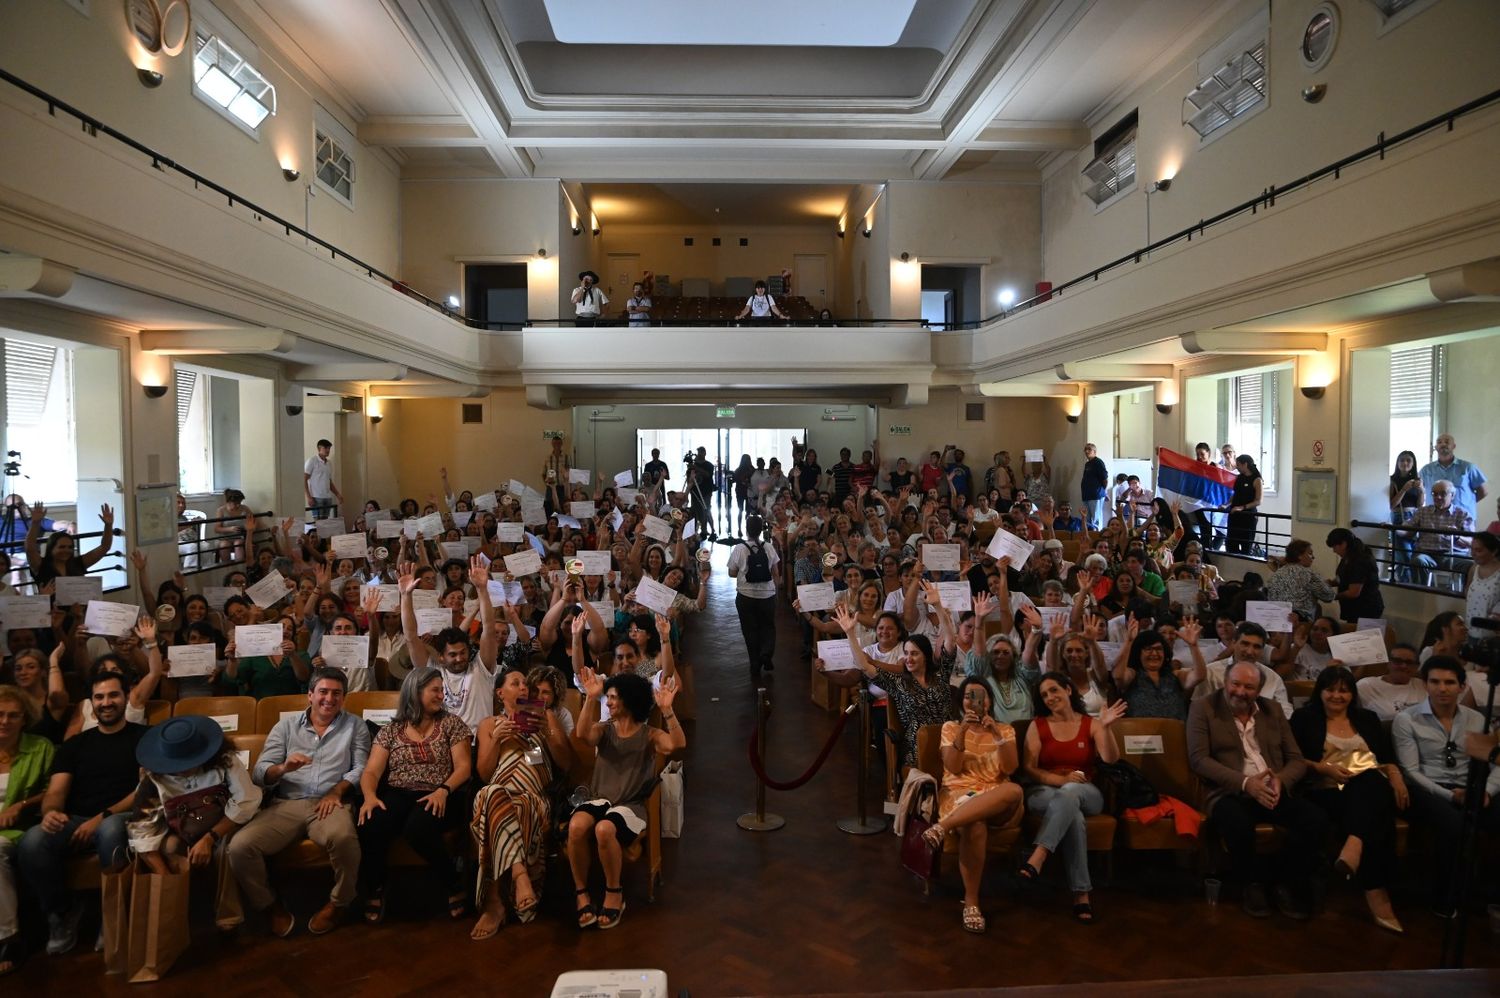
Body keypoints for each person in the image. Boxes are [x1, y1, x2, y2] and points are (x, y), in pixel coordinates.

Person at [228, 667, 370, 938]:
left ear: (344, 698)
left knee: (343, 838)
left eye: (336, 694)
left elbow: (361, 768)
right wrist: (283, 768)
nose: (329, 699)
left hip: (330, 802)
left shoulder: (355, 725)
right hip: (287, 803)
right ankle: (270, 905)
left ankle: (339, 903)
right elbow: (260, 772)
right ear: (310, 695)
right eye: (323, 692)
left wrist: (337, 791)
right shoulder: (285, 726)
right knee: (239, 847)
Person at [1187, 661, 1327, 919]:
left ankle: (1285, 880)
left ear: (1259, 690)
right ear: (1225, 682)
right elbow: (1199, 760)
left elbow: (1296, 759)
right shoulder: (1203, 708)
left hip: (1273, 788)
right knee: (1237, 822)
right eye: (1235, 684)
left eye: (1249, 687)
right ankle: (1252, 884)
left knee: (1314, 819)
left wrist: (1280, 781)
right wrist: (1245, 783)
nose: (1240, 691)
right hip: (1228, 790)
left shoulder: (1272, 710)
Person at [18, 671, 145, 955]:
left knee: (110, 828)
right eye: (99, 697)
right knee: (33, 841)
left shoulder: (144, 737)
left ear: (125, 697)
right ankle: (62, 913)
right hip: (75, 819)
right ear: (91, 703)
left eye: (113, 695)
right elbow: (55, 793)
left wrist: (100, 818)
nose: (106, 702)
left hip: (123, 815)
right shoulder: (75, 744)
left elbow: (144, 790)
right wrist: (51, 812)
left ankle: (112, 918)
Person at [1289, 667, 1407, 933]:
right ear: (1319, 692)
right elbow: (1292, 759)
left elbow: (1385, 760)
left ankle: (1354, 843)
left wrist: (1396, 776)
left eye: (1344, 690)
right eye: (1330, 689)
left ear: (1353, 695)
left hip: (1369, 786)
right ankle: (1377, 893)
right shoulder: (1304, 718)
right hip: (1326, 788)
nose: (1337, 696)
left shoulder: (1367, 719)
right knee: (1375, 808)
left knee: (1370, 781)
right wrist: (1322, 768)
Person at [566, 668, 683, 930]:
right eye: (607, 698)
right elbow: (583, 735)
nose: (608, 703)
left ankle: (614, 892)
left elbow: (676, 744)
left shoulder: (649, 734)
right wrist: (588, 697)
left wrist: (667, 710)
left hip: (630, 806)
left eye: (613, 697)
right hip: (599, 800)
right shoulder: (605, 730)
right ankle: (581, 892)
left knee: (605, 828)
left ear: (629, 700)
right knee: (576, 826)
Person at [356, 666, 473, 924]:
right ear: (415, 691)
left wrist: (443, 791)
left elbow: (464, 767)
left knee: (418, 827)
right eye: (435, 690)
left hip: (442, 792)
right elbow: (371, 772)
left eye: (441, 690)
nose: (441, 695)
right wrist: (369, 796)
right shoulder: (390, 731)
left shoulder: (452, 723)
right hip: (398, 792)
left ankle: (451, 881)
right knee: (371, 823)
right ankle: (375, 886)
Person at [127, 715, 261, 929]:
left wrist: (210, 838)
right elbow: (143, 832)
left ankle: (229, 918)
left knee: (227, 849)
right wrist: (167, 882)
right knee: (170, 847)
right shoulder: (152, 780)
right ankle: (180, 917)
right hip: (180, 833)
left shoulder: (224, 760)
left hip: (224, 827)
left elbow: (246, 801)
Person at [1391, 655, 1500, 917]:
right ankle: (1444, 897)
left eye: (1450, 682)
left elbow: (1497, 764)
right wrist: (1451, 796)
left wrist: (1486, 791)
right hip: (1428, 789)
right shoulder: (1407, 719)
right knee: (1453, 824)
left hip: (1472, 787)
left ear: (1461, 687)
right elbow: (1411, 772)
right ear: (1425, 684)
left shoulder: (1476, 720)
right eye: (1435, 682)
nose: (1442, 688)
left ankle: (1492, 895)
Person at [468, 668, 573, 940]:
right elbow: (483, 773)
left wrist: (547, 732)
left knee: (510, 802)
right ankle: (519, 873)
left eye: (526, 683)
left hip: (533, 796)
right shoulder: (489, 724)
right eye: (516, 683)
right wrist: (497, 740)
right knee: (494, 794)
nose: (524, 688)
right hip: (500, 793)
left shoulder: (545, 716)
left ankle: (494, 904)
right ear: (500, 693)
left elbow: (566, 763)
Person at [1019, 672, 1125, 924]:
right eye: (1044, 695)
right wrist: (1060, 780)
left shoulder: (1092, 723)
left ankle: (1040, 853)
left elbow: (1111, 759)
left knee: (1071, 795)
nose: (1049, 697)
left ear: (1068, 690)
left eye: (1054, 690)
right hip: (1044, 791)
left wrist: (1106, 727)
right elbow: (1029, 768)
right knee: (1072, 813)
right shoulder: (1038, 725)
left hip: (1085, 791)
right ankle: (1081, 893)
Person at [919, 678, 1021, 934]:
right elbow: (952, 767)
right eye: (968, 696)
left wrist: (996, 734)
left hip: (997, 797)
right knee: (975, 823)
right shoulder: (951, 728)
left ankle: (942, 828)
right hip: (959, 794)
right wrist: (964, 732)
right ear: (962, 701)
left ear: (989, 701)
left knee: (1014, 789)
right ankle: (972, 902)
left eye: (980, 696)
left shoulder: (1006, 730)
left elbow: (1010, 769)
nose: (974, 701)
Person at [831, 603, 953, 771]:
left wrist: (938, 607)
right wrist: (850, 633)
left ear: (926, 656)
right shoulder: (899, 683)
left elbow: (949, 642)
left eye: (914, 654)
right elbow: (865, 666)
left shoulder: (941, 676)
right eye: (907, 653)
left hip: (946, 740)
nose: (908, 658)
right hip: (916, 747)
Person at [400, 556, 499, 736]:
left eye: (463, 653)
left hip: (480, 741)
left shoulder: (481, 668)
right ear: (441, 657)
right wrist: (406, 596)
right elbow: (410, 636)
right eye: (452, 655)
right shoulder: (432, 671)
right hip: (443, 744)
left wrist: (482, 590)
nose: (460, 658)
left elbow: (489, 630)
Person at [0, 685, 54, 976]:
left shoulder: (40, 747)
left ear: (25, 718)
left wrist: (21, 805)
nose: (4, 721)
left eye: (13, 715)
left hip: (16, 831)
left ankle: (8, 938)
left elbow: (53, 790)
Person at [727, 514, 779, 683]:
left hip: (746, 596)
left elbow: (731, 572)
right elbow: (775, 573)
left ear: (746, 529)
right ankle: (766, 653)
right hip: (767, 596)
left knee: (750, 630)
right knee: (768, 627)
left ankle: (754, 664)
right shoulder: (769, 547)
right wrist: (774, 590)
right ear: (761, 529)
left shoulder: (739, 548)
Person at [23, 502, 115, 587]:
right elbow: (30, 548)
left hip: (79, 605)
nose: (66, 550)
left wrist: (108, 526)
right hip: (50, 605)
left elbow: (104, 547)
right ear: (51, 548)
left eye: (70, 547)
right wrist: (36, 523)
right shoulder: (41, 565)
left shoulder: (78, 563)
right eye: (61, 547)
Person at [1408, 480, 1473, 587]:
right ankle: (1421, 594)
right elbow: (1407, 529)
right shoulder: (1422, 511)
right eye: (1434, 494)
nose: (1438, 497)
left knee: (1472, 566)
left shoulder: (1463, 514)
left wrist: (1456, 536)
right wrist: (1392, 527)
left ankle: (1464, 597)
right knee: (1417, 560)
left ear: (1452, 495)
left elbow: (1471, 542)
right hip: (1426, 554)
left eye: (1443, 493)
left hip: (1453, 555)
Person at [1419, 433, 1488, 524]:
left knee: (1464, 539)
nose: (1443, 444)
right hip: (1434, 520)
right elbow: (1419, 491)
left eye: (1447, 442)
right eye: (1439, 442)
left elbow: (1483, 492)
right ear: (1435, 447)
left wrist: (1467, 503)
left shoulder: (1468, 468)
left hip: (1463, 519)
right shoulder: (1426, 470)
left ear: (1454, 446)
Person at [1264, 539, 1336, 622]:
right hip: (1300, 622)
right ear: (1299, 556)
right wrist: (1326, 584)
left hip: (1276, 620)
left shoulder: (1275, 574)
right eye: (1310, 553)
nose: (1313, 557)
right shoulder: (1309, 573)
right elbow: (1328, 596)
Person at [1325, 527, 1384, 624]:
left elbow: (1354, 592)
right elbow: (1344, 577)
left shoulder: (1359, 561)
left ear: (1343, 544)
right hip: (1353, 608)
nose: (1334, 551)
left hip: (1365, 609)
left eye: (1334, 547)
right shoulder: (1348, 557)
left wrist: (1332, 596)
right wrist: (1330, 583)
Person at [1355, 643, 1425, 721]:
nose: (1403, 666)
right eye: (1398, 661)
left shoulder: (1423, 685)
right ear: (1388, 663)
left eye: (1409, 662)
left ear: (1416, 667)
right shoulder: (1366, 685)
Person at [1388, 450, 1423, 582]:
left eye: (1408, 460)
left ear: (1413, 464)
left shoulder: (1417, 480)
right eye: (1401, 460)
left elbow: (1420, 505)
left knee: (1414, 555)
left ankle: (1414, 584)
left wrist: (1422, 490)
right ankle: (1404, 584)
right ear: (1397, 463)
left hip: (1415, 517)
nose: (1405, 463)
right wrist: (1404, 489)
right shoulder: (1393, 481)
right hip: (1399, 517)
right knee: (1404, 556)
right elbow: (1391, 505)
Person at [1225, 455, 1262, 554]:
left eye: (1238, 465)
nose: (1236, 467)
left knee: (1246, 546)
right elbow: (1235, 494)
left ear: (1245, 464)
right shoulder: (1239, 478)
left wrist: (1242, 507)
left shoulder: (1257, 479)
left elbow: (1258, 501)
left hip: (1248, 517)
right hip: (1234, 517)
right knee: (1231, 545)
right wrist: (1227, 504)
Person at [304, 439, 341, 519]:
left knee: (325, 524)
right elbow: (304, 479)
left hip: (327, 497)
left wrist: (337, 494)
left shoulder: (329, 463)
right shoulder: (312, 461)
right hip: (316, 497)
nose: (328, 450)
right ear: (319, 448)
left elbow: (329, 481)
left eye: (329, 448)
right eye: (326, 448)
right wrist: (309, 497)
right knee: (318, 524)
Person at [1080, 444, 1108, 531]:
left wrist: (1103, 492)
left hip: (1095, 495)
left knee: (1096, 519)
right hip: (1086, 495)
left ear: (1094, 452)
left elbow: (1104, 479)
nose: (1086, 451)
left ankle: (1097, 536)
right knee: (1087, 518)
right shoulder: (1087, 464)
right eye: (1085, 449)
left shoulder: (1098, 462)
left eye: (1089, 449)